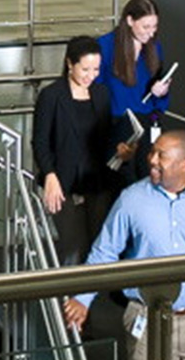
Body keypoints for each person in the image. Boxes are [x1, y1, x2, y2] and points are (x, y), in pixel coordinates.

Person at [64, 130, 185, 360]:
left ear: (184, 164)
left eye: (162, 156)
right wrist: (83, 298)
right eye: (152, 152)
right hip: (144, 318)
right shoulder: (131, 198)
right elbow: (105, 250)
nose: (152, 160)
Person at [32, 36, 117, 266]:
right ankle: (67, 298)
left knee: (98, 242)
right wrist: (49, 175)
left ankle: (88, 297)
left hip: (96, 180)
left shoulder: (101, 94)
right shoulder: (51, 96)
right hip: (62, 180)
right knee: (73, 246)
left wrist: (121, 150)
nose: (91, 75)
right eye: (85, 69)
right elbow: (40, 141)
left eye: (96, 69)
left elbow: (106, 137)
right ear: (70, 64)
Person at [96, 0, 171, 188]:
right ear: (130, 21)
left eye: (154, 27)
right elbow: (97, 89)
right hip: (118, 126)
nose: (151, 33)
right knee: (122, 182)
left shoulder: (155, 48)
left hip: (147, 124)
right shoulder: (105, 46)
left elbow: (158, 92)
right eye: (146, 27)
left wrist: (161, 92)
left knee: (149, 179)